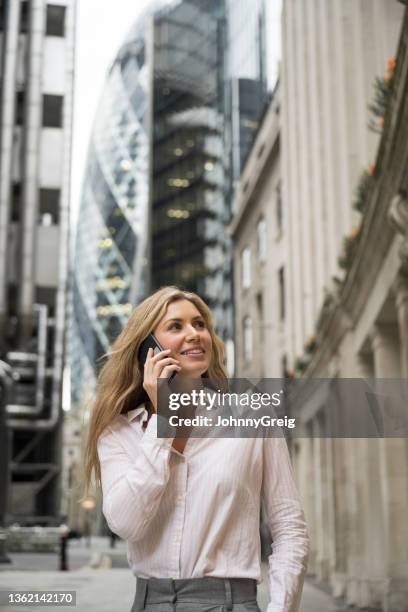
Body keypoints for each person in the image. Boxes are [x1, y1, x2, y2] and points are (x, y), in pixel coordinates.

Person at [83, 286, 309, 611]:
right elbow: (127, 523)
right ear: (148, 348)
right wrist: (163, 421)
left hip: (231, 602)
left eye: (199, 324)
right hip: (150, 603)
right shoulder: (118, 432)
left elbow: (289, 526)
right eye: (176, 326)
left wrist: (281, 607)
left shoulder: (253, 416)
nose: (194, 334)